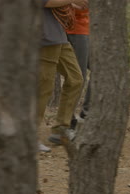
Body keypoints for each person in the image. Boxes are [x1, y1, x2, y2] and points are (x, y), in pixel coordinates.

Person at [39, 0, 88, 152]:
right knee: (43, 88)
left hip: (59, 35)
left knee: (76, 79)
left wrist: (73, 5)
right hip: (44, 36)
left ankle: (61, 127)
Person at [66, 6, 90, 129]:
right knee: (79, 76)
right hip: (75, 30)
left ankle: (86, 112)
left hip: (86, 29)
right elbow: (82, 5)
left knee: (102, 70)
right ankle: (67, 120)